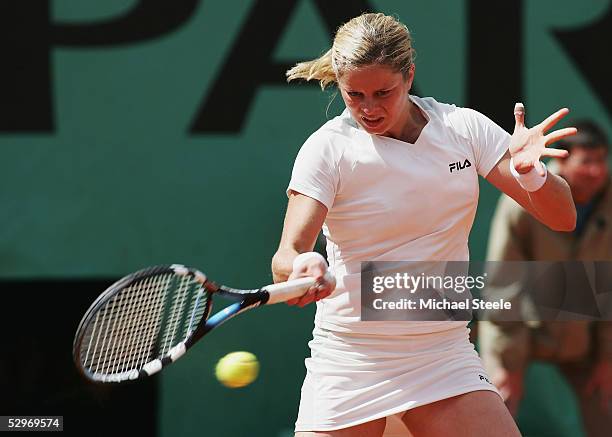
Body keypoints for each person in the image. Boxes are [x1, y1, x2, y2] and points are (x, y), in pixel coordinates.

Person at [270, 12, 577, 437]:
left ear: (409, 75)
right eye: (353, 94)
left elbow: (563, 217)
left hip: (442, 352)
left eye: (383, 92)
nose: (369, 108)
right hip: (352, 358)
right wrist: (304, 267)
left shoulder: (463, 129)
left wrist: (532, 174)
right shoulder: (327, 149)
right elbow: (287, 257)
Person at [479, 120, 612, 437]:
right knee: (495, 406)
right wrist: (508, 366)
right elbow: (503, 287)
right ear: (561, 160)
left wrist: (608, 358)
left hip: (587, 337)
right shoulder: (521, 202)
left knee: (607, 405)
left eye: (601, 161)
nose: (596, 171)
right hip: (520, 330)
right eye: (587, 162)